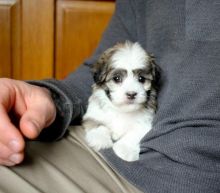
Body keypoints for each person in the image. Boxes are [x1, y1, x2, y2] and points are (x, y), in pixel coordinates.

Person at [0, 0, 220, 192]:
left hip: (189, 174)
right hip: (114, 158)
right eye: (117, 79)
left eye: (142, 80)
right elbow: (95, 72)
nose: (132, 89)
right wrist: (50, 96)